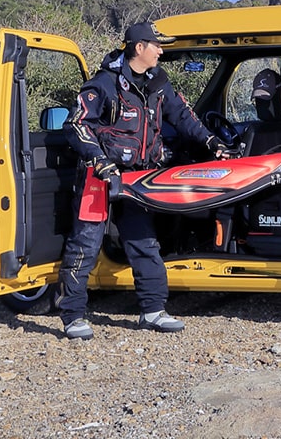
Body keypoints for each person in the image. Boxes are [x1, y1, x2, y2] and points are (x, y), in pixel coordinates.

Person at [58, 21, 231, 340]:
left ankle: (153, 311)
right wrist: (100, 161)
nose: (161, 51)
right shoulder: (103, 84)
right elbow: (76, 125)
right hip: (99, 178)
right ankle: (72, 316)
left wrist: (212, 143)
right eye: (157, 45)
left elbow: (183, 117)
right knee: (85, 244)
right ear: (139, 47)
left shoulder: (158, 83)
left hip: (137, 179)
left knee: (144, 242)